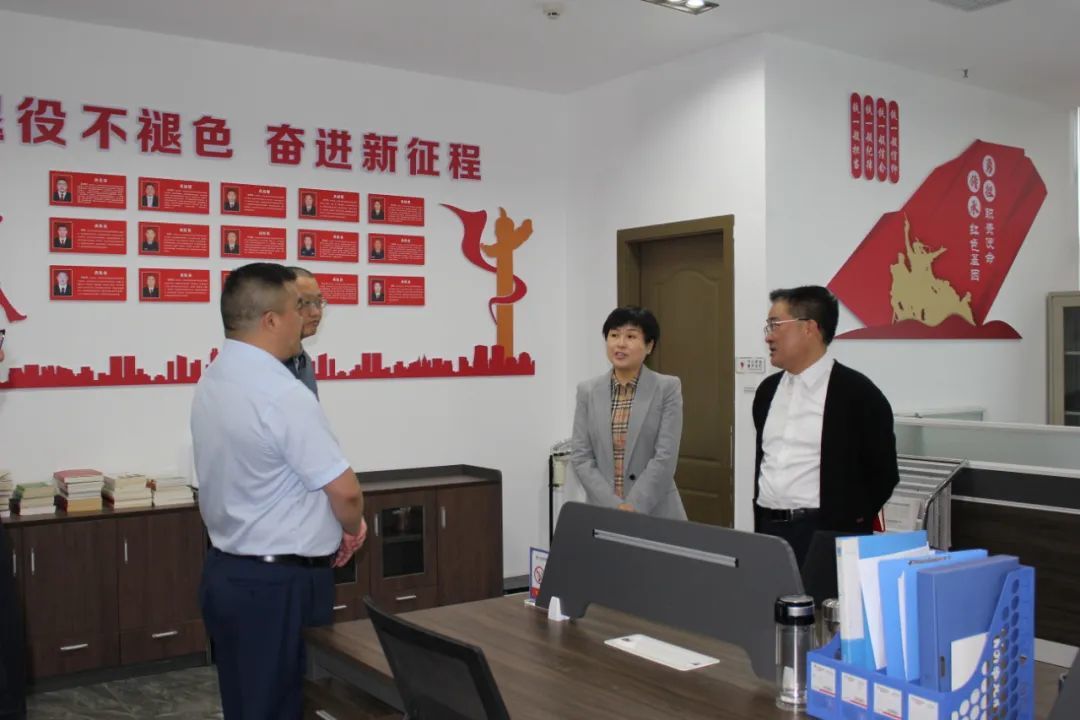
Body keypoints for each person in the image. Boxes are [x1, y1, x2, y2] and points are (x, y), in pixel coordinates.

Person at [192, 263, 366, 720]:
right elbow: (345, 492)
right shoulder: (281, 393)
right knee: (281, 705)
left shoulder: (215, 378)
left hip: (228, 571)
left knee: (247, 704)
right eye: (298, 307)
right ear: (271, 320)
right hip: (279, 586)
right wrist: (352, 529)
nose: (306, 317)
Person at [753, 285, 899, 567]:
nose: (768, 336)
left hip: (826, 533)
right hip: (770, 530)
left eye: (775, 325)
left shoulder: (858, 394)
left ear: (809, 328)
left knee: (822, 597)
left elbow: (883, 474)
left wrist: (847, 521)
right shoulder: (767, 391)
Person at [570, 306, 687, 520]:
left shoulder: (667, 388)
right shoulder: (587, 391)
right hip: (603, 510)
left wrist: (634, 506)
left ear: (649, 345)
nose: (620, 343)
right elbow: (581, 457)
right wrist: (615, 506)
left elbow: (665, 457)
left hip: (656, 511)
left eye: (631, 336)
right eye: (614, 335)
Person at [285, 267, 326, 397]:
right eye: (304, 302)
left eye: (318, 302)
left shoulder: (303, 360)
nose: (316, 313)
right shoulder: (261, 364)